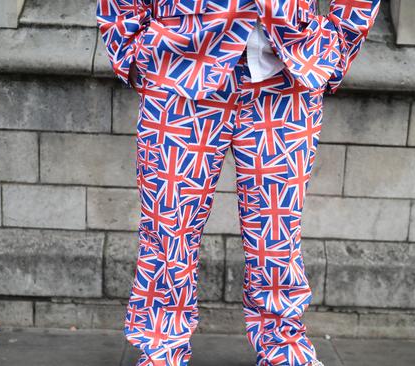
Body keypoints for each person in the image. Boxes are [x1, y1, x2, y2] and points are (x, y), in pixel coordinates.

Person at [96, 0, 380, 365]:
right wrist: (131, 47)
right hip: (178, 63)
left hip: (289, 70)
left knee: (277, 233)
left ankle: (283, 348)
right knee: (169, 227)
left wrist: (337, 45)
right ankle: (161, 349)